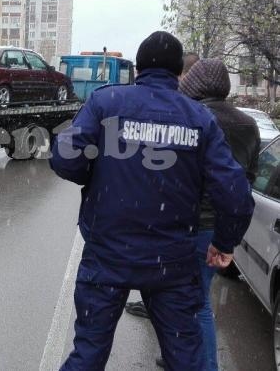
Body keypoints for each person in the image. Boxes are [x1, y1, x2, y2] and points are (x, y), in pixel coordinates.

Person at [49, 31, 255, 371]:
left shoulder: (106, 102)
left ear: (138, 67)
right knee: (186, 358)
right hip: (172, 260)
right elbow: (235, 191)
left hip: (107, 253)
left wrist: (99, 176)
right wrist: (224, 241)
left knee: (87, 354)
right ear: (178, 73)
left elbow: (64, 158)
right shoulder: (198, 118)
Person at [124, 59, 261, 370]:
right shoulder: (247, 124)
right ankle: (179, 356)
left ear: (195, 85)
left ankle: (203, 364)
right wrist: (228, 238)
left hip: (188, 226)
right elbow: (247, 180)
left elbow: (168, 174)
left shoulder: (193, 118)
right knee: (190, 299)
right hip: (219, 227)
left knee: (193, 305)